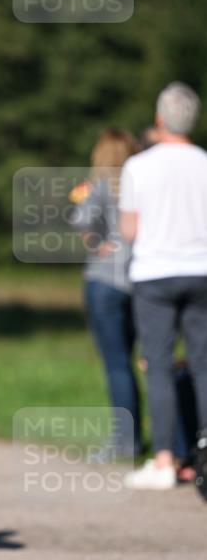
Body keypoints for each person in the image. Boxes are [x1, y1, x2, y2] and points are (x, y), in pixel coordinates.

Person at [119, 82, 207, 489]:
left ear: (159, 119)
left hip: (155, 273)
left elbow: (130, 228)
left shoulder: (139, 166)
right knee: (203, 365)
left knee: (158, 364)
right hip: (201, 271)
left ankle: (166, 460)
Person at [70, 129, 141, 457]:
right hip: (141, 279)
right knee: (146, 362)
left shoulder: (97, 187)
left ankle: (125, 442)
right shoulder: (141, 185)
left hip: (105, 281)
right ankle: (169, 442)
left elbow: (81, 220)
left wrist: (99, 243)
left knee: (117, 365)